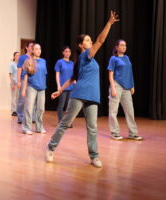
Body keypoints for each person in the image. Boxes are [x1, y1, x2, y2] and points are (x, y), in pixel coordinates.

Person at [46, 11, 119, 168]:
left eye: (89, 39)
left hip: (92, 95)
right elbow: (100, 41)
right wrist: (109, 24)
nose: (90, 41)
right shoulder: (86, 55)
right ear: (81, 45)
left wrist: (59, 90)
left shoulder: (82, 60)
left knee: (92, 128)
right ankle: (51, 147)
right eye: (87, 40)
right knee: (65, 123)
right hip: (79, 94)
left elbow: (72, 78)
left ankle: (94, 156)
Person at [107, 40, 143, 140]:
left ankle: (133, 133)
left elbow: (129, 73)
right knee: (113, 111)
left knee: (130, 111)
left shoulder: (127, 58)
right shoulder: (113, 58)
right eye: (122, 45)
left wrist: (132, 85)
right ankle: (115, 133)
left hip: (127, 87)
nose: (124, 47)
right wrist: (113, 88)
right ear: (117, 47)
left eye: (125, 45)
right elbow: (110, 74)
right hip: (117, 85)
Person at [21, 44, 47, 134]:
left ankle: (39, 127)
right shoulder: (28, 61)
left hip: (42, 88)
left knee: (40, 109)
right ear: (32, 50)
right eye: (36, 49)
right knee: (29, 108)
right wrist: (24, 89)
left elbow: (44, 75)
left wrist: (44, 85)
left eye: (40, 49)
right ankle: (26, 128)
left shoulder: (43, 61)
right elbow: (25, 76)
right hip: (31, 87)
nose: (39, 51)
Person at [54, 46, 74, 123]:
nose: (67, 53)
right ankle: (60, 120)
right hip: (63, 86)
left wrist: (75, 81)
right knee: (61, 104)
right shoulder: (60, 62)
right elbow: (57, 74)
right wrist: (58, 85)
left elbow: (74, 74)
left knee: (69, 106)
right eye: (66, 51)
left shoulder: (72, 63)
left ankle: (68, 121)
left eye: (69, 51)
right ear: (63, 52)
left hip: (71, 87)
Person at [16, 42, 33, 124]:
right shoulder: (22, 57)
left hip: (32, 80)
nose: (32, 48)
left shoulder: (34, 57)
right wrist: (18, 81)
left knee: (31, 99)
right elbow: (19, 69)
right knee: (22, 99)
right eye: (31, 46)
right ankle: (20, 117)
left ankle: (30, 117)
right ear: (26, 48)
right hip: (23, 79)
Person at [9, 51, 20, 116]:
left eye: (19, 55)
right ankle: (13, 110)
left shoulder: (20, 64)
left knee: (18, 97)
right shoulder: (12, 64)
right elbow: (10, 74)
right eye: (17, 55)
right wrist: (12, 83)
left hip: (19, 83)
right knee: (14, 97)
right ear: (14, 57)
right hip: (14, 83)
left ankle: (18, 110)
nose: (18, 57)